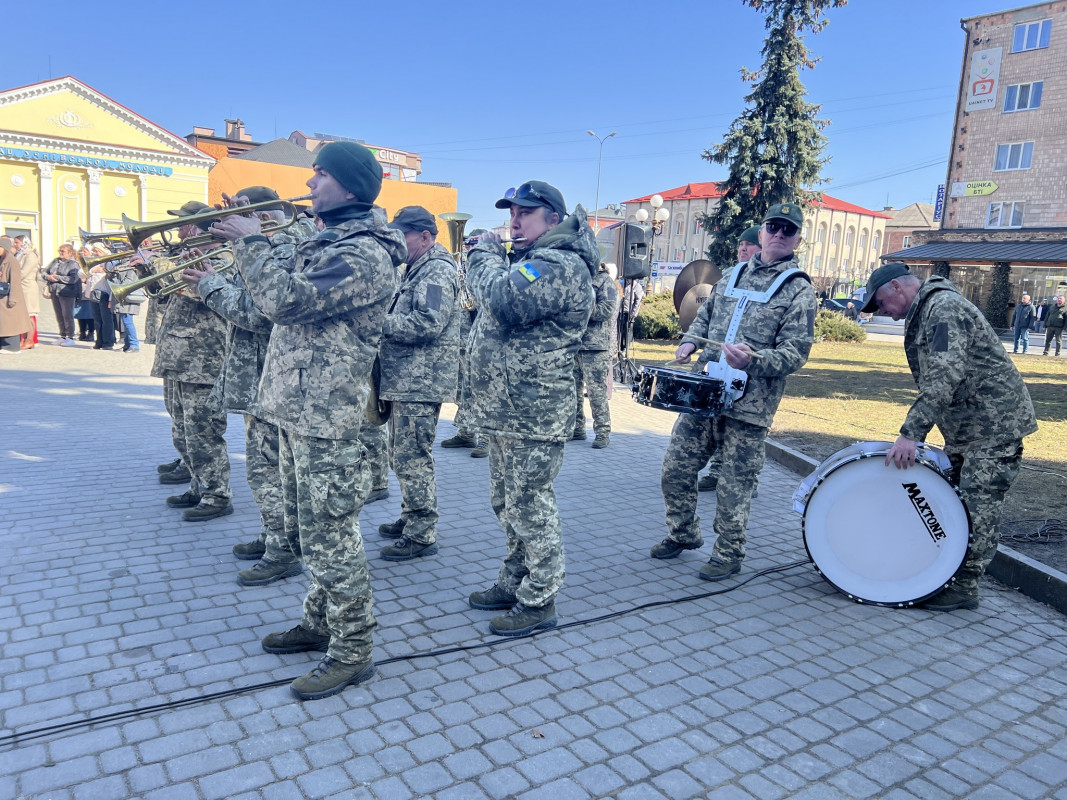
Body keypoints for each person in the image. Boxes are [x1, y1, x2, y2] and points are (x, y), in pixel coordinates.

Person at [209, 141, 405, 700]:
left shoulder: (365, 252)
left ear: (349, 186)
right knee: (309, 531)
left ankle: (353, 648)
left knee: (331, 535)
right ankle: (320, 620)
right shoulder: (327, 240)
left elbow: (285, 303)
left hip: (328, 416)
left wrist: (252, 243)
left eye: (321, 173)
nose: (311, 181)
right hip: (295, 409)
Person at [652, 204, 816, 582]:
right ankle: (683, 533)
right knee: (675, 469)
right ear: (760, 232)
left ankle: (728, 553)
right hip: (705, 391)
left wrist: (753, 361)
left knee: (734, 486)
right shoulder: (732, 275)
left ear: (797, 239)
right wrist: (690, 343)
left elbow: (796, 353)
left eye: (787, 230)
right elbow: (704, 317)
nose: (778, 234)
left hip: (750, 405)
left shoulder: (798, 289)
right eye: (772, 226)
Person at [862, 262, 1038, 611]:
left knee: (978, 505)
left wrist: (911, 434)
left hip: (993, 427)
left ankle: (964, 587)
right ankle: (949, 576)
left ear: (896, 287)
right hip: (970, 429)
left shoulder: (943, 310)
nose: (885, 313)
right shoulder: (931, 309)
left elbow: (944, 375)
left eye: (881, 303)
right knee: (959, 503)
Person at [464, 180, 597, 636]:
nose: (514, 222)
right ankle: (515, 578)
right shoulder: (528, 262)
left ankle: (540, 598)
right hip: (507, 410)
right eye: (512, 213)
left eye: (525, 214)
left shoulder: (557, 265)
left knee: (530, 504)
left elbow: (502, 301)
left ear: (553, 220)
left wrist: (481, 255)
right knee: (507, 502)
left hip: (534, 412)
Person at [183, 186, 318, 587]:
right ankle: (273, 535)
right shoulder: (268, 245)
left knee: (268, 471)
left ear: (262, 213)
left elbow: (259, 313)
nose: (231, 216)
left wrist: (209, 286)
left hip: (272, 378)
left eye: (240, 210)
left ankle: (283, 551)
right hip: (257, 375)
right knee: (268, 470)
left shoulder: (287, 243)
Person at [375, 206, 461, 562]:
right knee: (401, 455)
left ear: (425, 237)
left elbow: (428, 322)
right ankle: (412, 513)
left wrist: (378, 322)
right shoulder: (416, 267)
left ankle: (422, 532)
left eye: (403, 236)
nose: (397, 242)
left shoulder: (437, 271)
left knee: (412, 457)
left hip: (419, 382)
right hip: (406, 379)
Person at [150, 201, 233, 522]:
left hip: (204, 359)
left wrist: (157, 264)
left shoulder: (224, 257)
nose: (179, 229)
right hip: (177, 356)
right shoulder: (185, 255)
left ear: (202, 227)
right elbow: (166, 294)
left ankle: (218, 494)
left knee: (204, 431)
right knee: (182, 426)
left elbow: (200, 291)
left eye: (184, 223)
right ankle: (199, 484)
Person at [696, 225, 762, 493]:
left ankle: (751, 477)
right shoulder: (726, 281)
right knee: (717, 419)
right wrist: (691, 341)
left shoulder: (773, 284)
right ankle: (715, 470)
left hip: (750, 372)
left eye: (749, 245)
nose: (743, 249)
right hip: (716, 366)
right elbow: (704, 316)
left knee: (745, 432)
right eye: (740, 245)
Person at [442, 229, 487, 456]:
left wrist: (471, 293)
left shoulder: (492, 268)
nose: (469, 247)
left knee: (483, 389)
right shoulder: (464, 267)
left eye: (474, 243)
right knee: (463, 388)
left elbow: (487, 302)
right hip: (460, 339)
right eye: (468, 243)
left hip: (481, 341)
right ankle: (467, 432)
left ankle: (487, 437)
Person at [572, 261, 621, 448]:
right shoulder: (577, 280)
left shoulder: (605, 282)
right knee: (573, 391)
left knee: (596, 392)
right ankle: (577, 428)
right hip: (575, 344)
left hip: (595, 347)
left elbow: (607, 311)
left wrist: (583, 309)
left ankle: (602, 432)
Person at [42, 244, 81, 345]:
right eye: (59, 251)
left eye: (63, 251)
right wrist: (48, 277)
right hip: (55, 291)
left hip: (67, 292)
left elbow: (73, 279)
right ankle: (62, 335)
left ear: (70, 252)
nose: (60, 253)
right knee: (59, 314)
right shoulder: (56, 261)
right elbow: (44, 272)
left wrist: (58, 278)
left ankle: (70, 337)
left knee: (67, 315)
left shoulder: (73, 264)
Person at [0, 238, 32, 354]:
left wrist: (13, 299)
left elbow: (15, 282)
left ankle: (12, 347)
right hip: (2, 297)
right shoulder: (2, 260)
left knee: (11, 325)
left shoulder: (11, 261)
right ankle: (4, 345)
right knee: (3, 324)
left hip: (9, 297)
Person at [86, 244, 117, 351]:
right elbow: (82, 272)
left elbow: (112, 276)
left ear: (103, 251)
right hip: (93, 292)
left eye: (97, 251)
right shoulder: (94, 262)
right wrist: (93, 270)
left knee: (106, 320)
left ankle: (108, 343)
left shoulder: (109, 261)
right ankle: (99, 342)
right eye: (94, 251)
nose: (95, 253)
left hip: (105, 293)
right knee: (97, 320)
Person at [13, 236, 40, 350]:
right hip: (20, 288)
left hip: (28, 288)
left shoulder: (30, 255)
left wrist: (10, 276)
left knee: (29, 314)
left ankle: (30, 339)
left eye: (17, 242)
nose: (15, 244)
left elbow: (24, 273)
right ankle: (22, 338)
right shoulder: (20, 254)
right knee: (21, 315)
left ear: (24, 242)